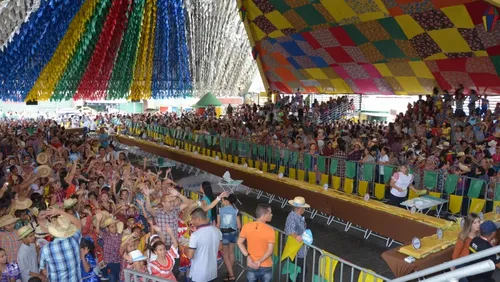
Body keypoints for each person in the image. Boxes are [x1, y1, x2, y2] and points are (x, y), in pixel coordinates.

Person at [39, 208, 82, 282]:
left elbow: (43, 270)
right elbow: (77, 222)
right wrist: (59, 212)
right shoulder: (74, 240)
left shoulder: (46, 249)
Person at [237, 204, 274, 282]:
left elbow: (239, 242)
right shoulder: (270, 230)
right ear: (264, 215)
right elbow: (270, 251)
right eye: (269, 213)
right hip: (266, 265)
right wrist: (259, 261)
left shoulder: (246, 226)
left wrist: (248, 256)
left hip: (251, 264)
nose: (271, 215)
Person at [186, 208, 222, 282]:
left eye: (193, 219)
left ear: (198, 219)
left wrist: (185, 250)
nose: (192, 222)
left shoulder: (195, 235)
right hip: (212, 272)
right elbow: (220, 248)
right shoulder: (217, 231)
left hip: (198, 274)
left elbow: (190, 256)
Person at [216, 194, 241, 281]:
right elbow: (239, 225)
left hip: (224, 234)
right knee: (231, 253)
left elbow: (218, 225)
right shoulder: (236, 211)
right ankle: (229, 272)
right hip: (233, 234)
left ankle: (231, 275)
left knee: (225, 255)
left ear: (227, 201)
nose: (221, 202)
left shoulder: (220, 210)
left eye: (222, 200)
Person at [285, 197, 309, 282]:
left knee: (296, 270)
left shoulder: (296, 216)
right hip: (297, 250)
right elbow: (290, 231)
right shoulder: (293, 217)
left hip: (297, 250)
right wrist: (297, 237)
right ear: (301, 209)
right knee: (301, 270)